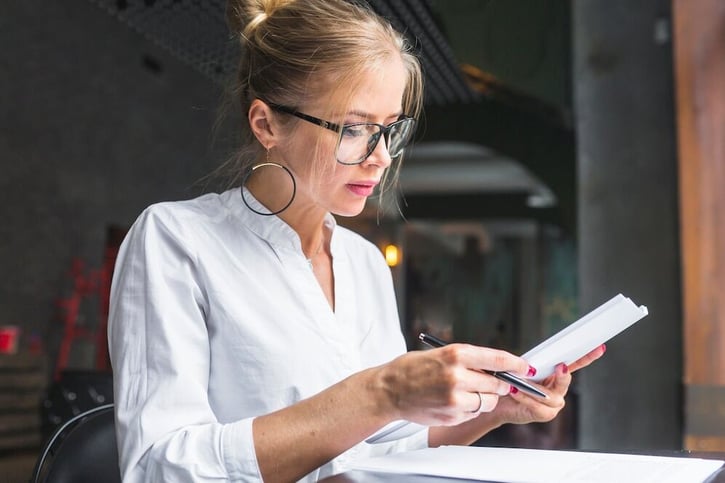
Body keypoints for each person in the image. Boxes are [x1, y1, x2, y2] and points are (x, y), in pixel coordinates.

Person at [107, 0, 606, 481]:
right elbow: (160, 468)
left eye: (390, 130)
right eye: (353, 129)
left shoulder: (364, 261)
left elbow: (380, 449)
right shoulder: (176, 240)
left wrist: (496, 410)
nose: (381, 157)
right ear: (265, 124)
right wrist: (381, 391)